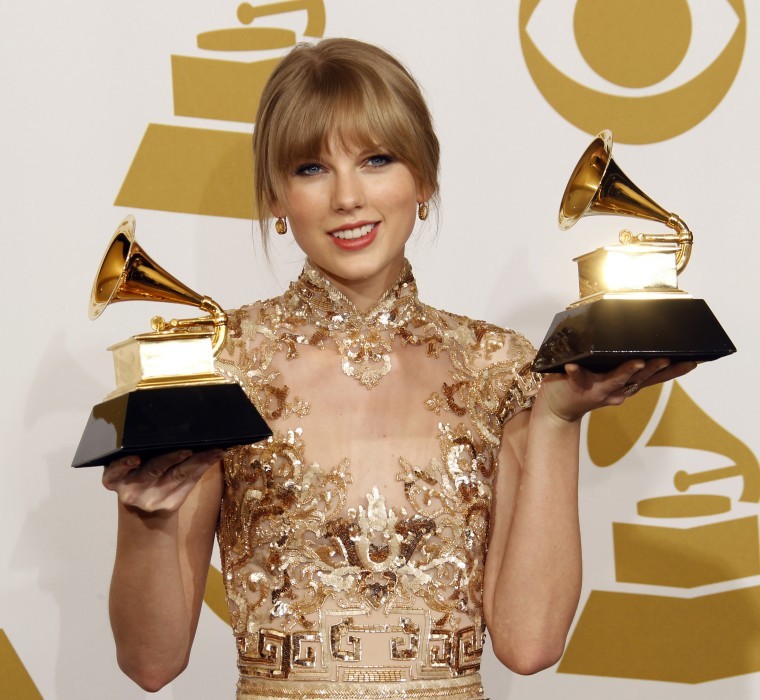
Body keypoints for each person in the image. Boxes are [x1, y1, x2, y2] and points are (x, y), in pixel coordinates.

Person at [102, 38, 695, 700]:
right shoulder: (219, 366)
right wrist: (143, 517)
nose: (348, 197)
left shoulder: (497, 366)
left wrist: (557, 417)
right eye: (310, 168)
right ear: (275, 198)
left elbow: (530, 645)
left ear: (424, 179)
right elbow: (150, 663)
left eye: (376, 159)